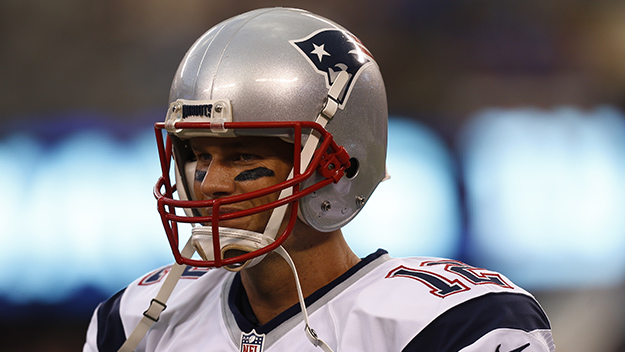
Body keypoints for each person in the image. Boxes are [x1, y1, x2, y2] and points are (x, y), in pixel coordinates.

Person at [83, 7, 555, 352]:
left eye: (242, 154)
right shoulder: (132, 323)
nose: (210, 184)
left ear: (341, 165)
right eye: (199, 154)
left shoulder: (451, 324)